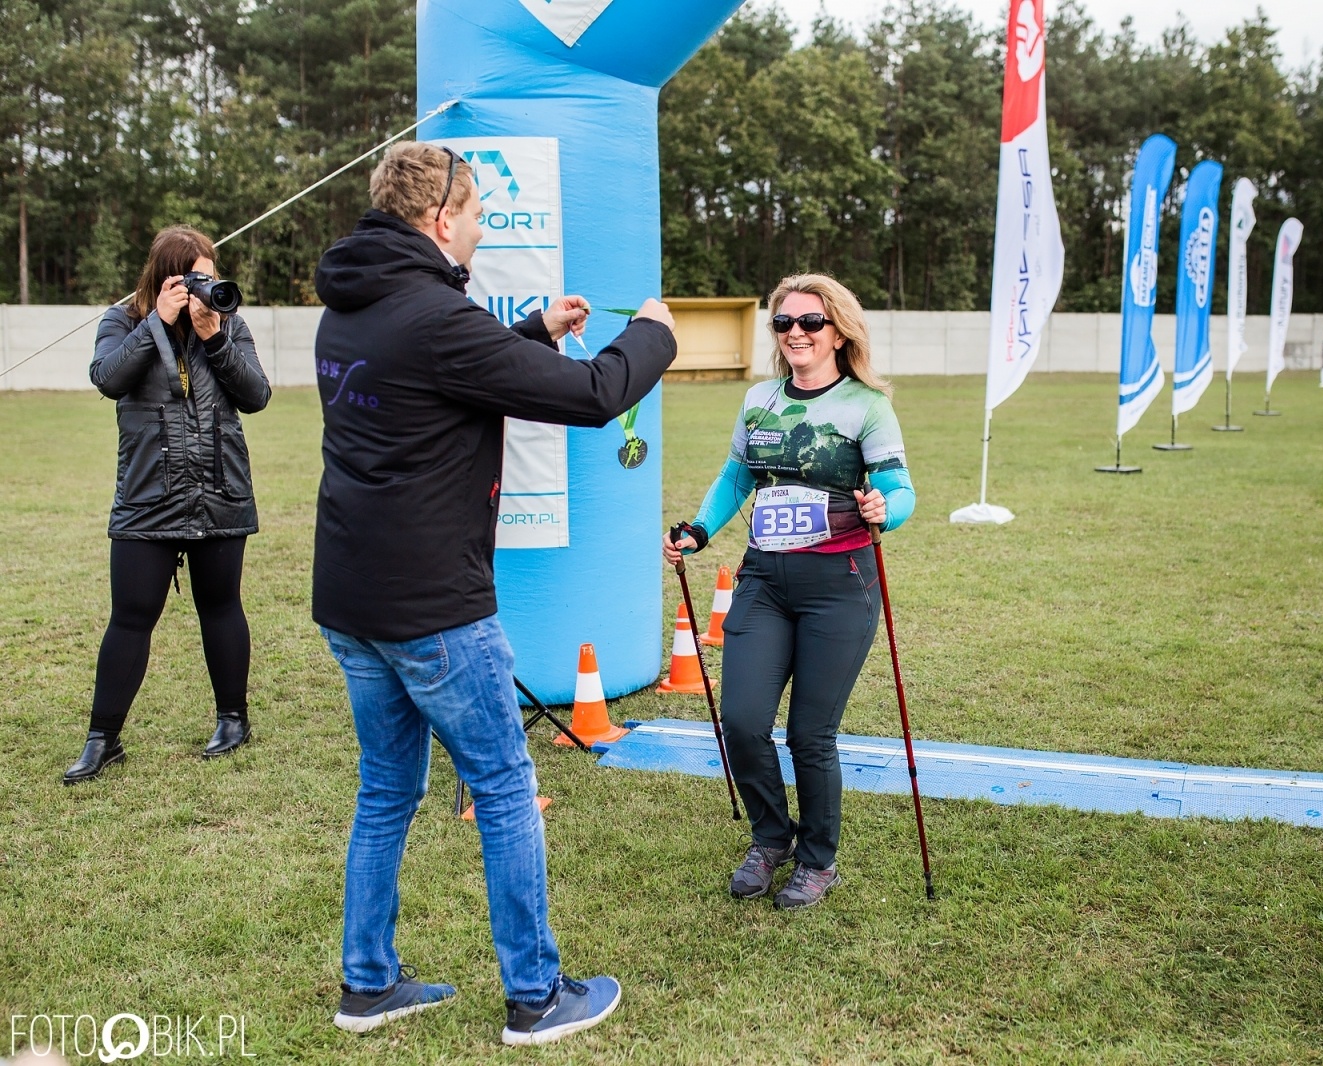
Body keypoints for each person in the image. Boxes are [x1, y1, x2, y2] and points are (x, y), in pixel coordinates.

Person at [312, 142, 677, 1045]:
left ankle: (368, 986)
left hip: (353, 602)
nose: (479, 230)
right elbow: (596, 395)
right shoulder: (435, 316)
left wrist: (533, 335)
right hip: (433, 609)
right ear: (441, 221)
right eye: (474, 216)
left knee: (386, 792)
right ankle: (535, 996)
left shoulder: (354, 308)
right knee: (507, 785)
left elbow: (440, 380)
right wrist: (655, 337)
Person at [663, 273, 915, 911]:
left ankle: (816, 859)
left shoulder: (867, 405)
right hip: (765, 581)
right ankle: (770, 837)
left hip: (840, 583)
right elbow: (736, 475)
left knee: (810, 734)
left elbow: (900, 489)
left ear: (838, 332)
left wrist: (885, 507)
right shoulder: (760, 401)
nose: (796, 332)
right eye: (784, 322)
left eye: (810, 322)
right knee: (744, 722)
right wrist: (697, 529)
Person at [70, 226, 272, 784]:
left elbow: (256, 395)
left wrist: (215, 339)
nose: (207, 286)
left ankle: (234, 719)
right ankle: (102, 739)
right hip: (147, 494)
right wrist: (157, 322)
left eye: (212, 274)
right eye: (196, 276)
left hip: (218, 487)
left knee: (222, 606)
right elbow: (108, 380)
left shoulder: (227, 322)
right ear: (166, 277)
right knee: (131, 618)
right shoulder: (123, 320)